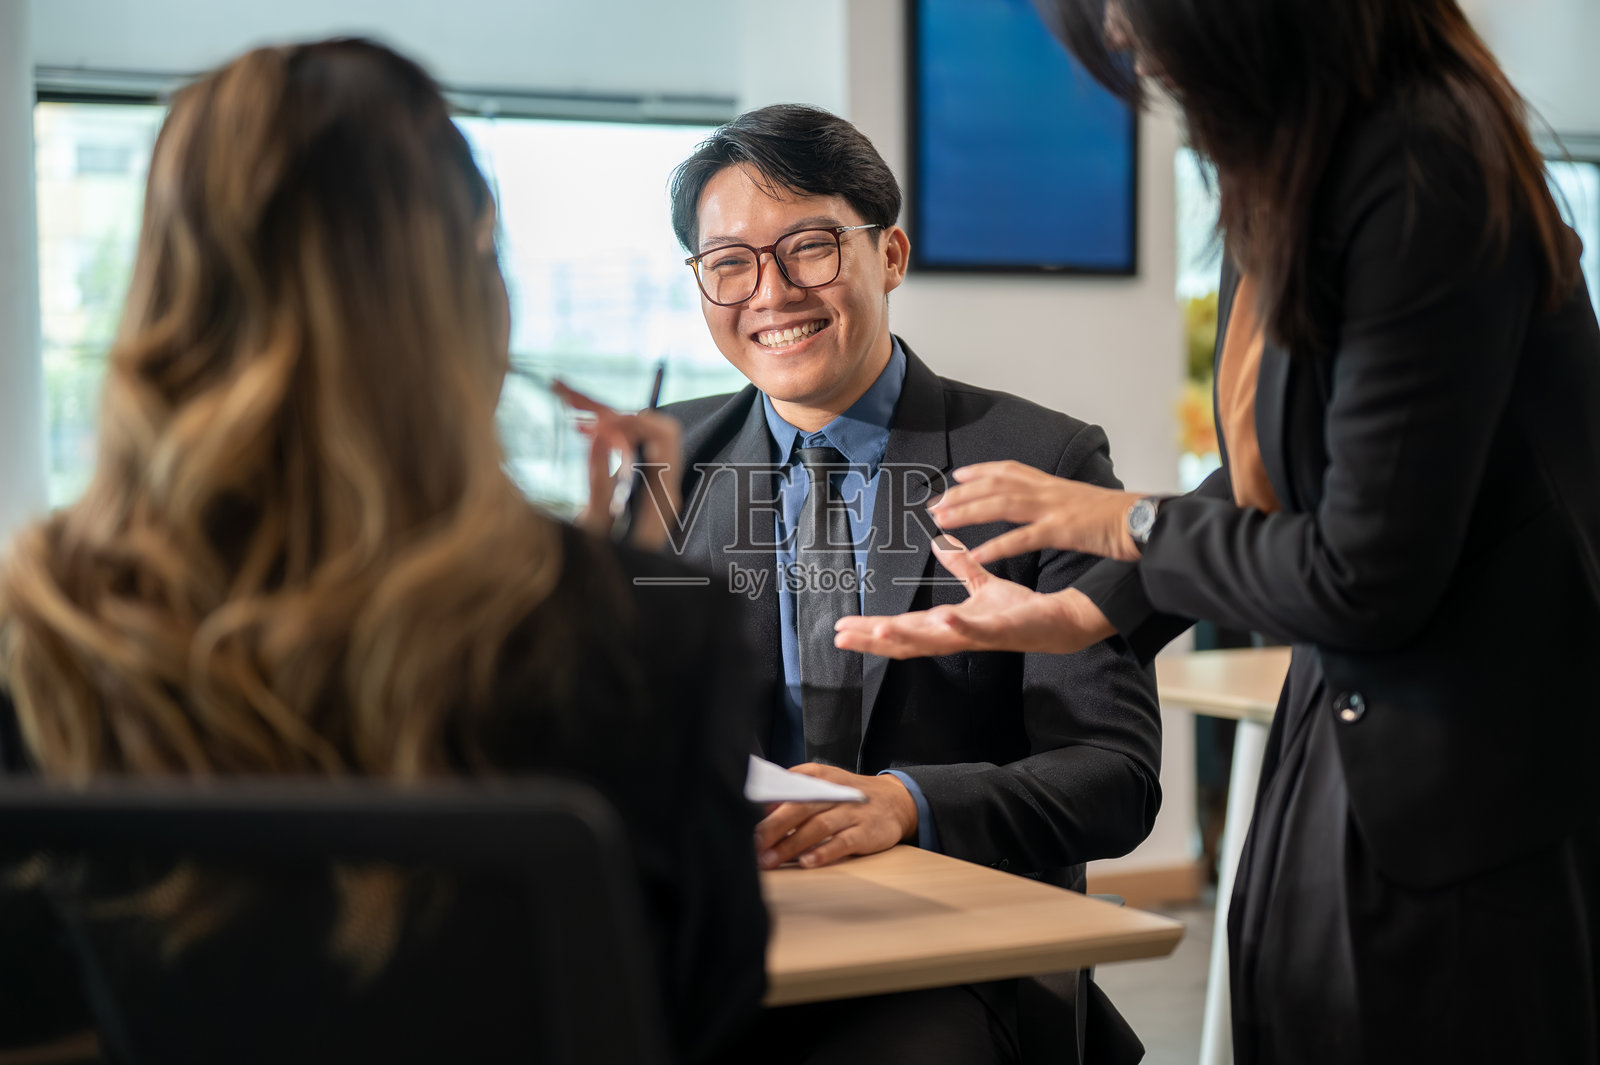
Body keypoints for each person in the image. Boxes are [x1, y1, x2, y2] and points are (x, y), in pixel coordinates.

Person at [837, 2, 1600, 1062]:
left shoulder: (1424, 165)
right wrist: (1082, 608)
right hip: (1352, 741)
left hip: (1463, 784)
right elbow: (1267, 478)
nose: (1121, 39)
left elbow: (1360, 570)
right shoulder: (1295, 173)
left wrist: (1125, 521)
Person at [0, 39, 766, 1065]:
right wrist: (606, 582)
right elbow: (701, 1018)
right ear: (466, 299)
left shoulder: (45, 625)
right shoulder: (653, 630)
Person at [657, 103, 1161, 1065]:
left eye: (809, 247)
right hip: (722, 927)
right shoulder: (668, 466)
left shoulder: (1040, 461)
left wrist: (901, 800)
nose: (770, 292)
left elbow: (1115, 776)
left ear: (889, 254)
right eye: (729, 263)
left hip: (949, 953)